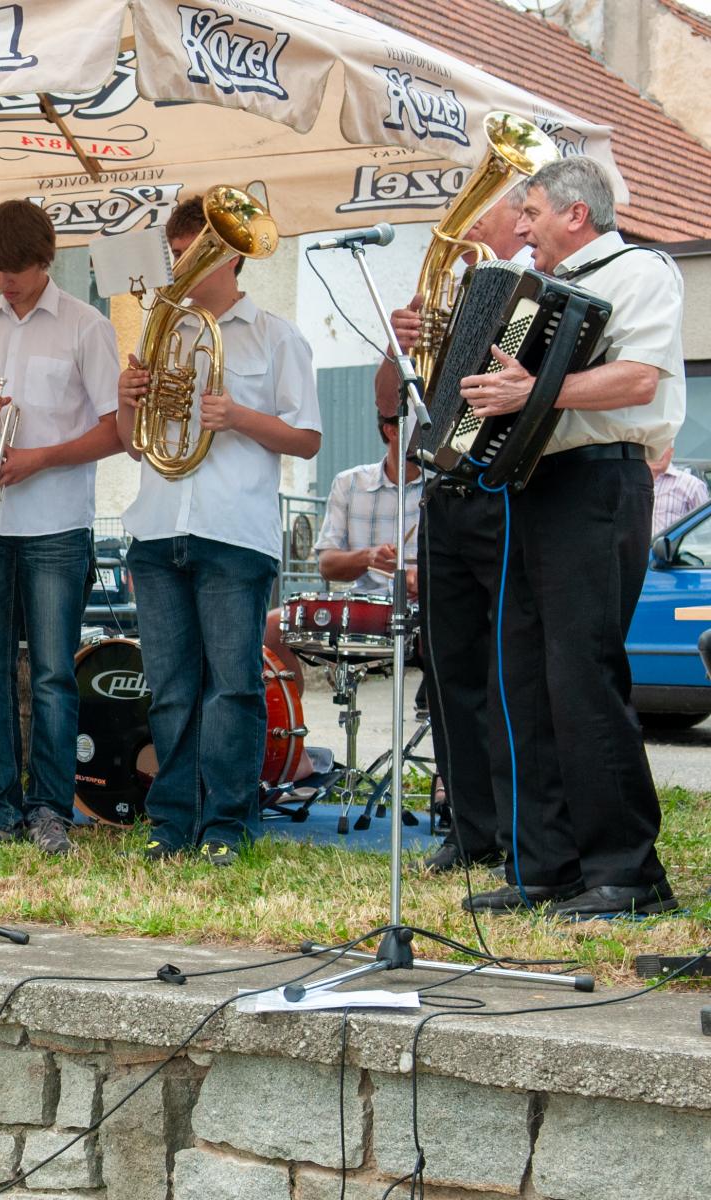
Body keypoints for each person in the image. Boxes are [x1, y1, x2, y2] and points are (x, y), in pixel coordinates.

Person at [451, 156, 683, 916]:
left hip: (600, 481)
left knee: (583, 676)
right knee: (522, 680)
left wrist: (532, 391)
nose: (520, 227)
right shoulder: (533, 286)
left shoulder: (640, 270)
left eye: (532, 212)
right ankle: (546, 865)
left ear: (576, 214)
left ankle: (628, 873)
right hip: (534, 485)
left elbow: (639, 378)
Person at [118, 196, 321, 865]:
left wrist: (238, 417)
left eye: (191, 253)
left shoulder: (276, 336)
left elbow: (307, 438)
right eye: (176, 254)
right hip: (157, 528)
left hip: (234, 531)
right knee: (170, 689)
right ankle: (172, 821)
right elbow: (136, 444)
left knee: (233, 687)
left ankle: (229, 825)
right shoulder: (163, 329)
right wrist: (126, 400)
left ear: (231, 255)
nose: (179, 266)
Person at [0, 199, 122, 857]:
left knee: (51, 675)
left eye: (16, 270)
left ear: (46, 261)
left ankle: (49, 809)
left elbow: (117, 432)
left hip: (55, 526)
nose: (5, 281)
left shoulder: (87, 326)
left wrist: (38, 459)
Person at [383, 190, 534, 876]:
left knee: (509, 669)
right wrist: (402, 345)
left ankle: (521, 828)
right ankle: (471, 830)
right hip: (444, 490)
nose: (462, 222)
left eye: (479, 208)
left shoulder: (536, 286)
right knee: (447, 665)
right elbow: (392, 405)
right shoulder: (451, 291)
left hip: (506, 492)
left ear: (518, 219)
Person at [264, 388, 423, 685]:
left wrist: (425, 579)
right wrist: (368, 557)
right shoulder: (350, 483)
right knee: (272, 628)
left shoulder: (443, 486)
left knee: (457, 631)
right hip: (367, 610)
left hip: (426, 611)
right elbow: (327, 565)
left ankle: (436, 704)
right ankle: (292, 712)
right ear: (391, 431)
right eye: (421, 427)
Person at [650, 446, 707, 536]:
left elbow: (705, 530)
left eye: (662, 447)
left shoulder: (692, 485)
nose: (658, 453)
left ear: (671, 451)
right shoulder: (631, 483)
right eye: (653, 448)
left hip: (675, 545)